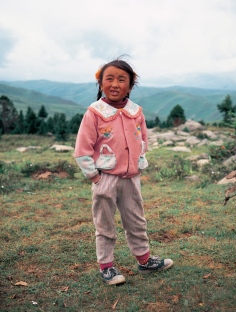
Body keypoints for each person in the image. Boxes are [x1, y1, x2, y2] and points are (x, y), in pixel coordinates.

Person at [74, 57, 173, 285]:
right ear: (100, 84)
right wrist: (95, 177)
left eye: (122, 79)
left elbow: (143, 139)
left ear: (130, 85)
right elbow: (82, 150)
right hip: (105, 178)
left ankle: (145, 260)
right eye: (109, 78)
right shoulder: (95, 113)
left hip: (131, 179)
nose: (115, 84)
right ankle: (107, 267)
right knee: (105, 224)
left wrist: (137, 163)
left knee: (136, 221)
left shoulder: (136, 112)